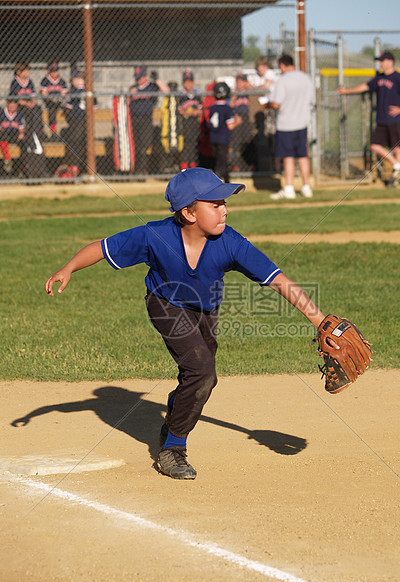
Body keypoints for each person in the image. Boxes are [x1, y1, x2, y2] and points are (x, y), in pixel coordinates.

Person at [44, 167, 330, 480]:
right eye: (216, 204)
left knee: (200, 376)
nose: (225, 209)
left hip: (207, 310)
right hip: (165, 304)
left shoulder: (231, 243)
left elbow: (278, 280)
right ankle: (172, 450)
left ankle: (178, 407)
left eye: (224, 203)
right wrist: (68, 268)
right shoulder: (155, 236)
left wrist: (318, 320)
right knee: (202, 371)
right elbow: (102, 247)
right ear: (189, 213)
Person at [337, 51, 400, 185]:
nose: (380, 63)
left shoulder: (398, 77)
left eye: (382, 61)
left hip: (396, 119)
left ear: (390, 62)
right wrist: (347, 91)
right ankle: (398, 165)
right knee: (374, 146)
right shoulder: (379, 78)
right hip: (382, 119)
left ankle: (394, 178)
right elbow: (365, 86)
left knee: (397, 148)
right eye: (379, 61)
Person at [267, 54, 314, 199]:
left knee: (288, 157)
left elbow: (276, 103)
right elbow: (311, 99)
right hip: (302, 123)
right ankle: (306, 187)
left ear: (282, 65)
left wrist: (267, 104)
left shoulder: (283, 80)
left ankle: (289, 189)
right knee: (303, 156)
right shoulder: (305, 78)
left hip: (286, 124)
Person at [9, 61, 48, 178]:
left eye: (28, 70)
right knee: (26, 113)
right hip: (21, 109)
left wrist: (32, 102)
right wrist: (25, 103)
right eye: (25, 71)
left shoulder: (29, 82)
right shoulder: (15, 83)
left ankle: (36, 130)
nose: (27, 73)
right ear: (19, 72)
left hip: (30, 109)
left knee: (37, 109)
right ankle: (29, 131)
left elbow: (33, 96)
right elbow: (14, 100)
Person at [129, 65, 169, 175]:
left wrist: (157, 80)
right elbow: (127, 101)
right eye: (137, 77)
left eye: (141, 77)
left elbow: (167, 91)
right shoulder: (133, 87)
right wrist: (131, 95)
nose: (138, 80)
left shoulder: (152, 87)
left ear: (146, 76)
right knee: (136, 145)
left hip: (146, 119)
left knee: (144, 146)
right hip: (134, 119)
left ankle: (142, 170)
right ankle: (136, 170)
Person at [63, 68, 98, 174]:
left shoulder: (76, 91)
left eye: (77, 79)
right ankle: (78, 167)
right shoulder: (89, 90)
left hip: (78, 120)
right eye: (74, 79)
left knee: (76, 142)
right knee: (79, 143)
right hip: (83, 121)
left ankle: (76, 166)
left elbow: (68, 109)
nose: (75, 81)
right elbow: (94, 109)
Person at [208, 81, 241, 182]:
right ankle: (214, 182)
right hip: (223, 138)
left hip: (213, 138)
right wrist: (238, 122)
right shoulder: (227, 109)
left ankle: (227, 181)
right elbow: (230, 126)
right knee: (221, 163)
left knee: (221, 160)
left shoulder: (212, 108)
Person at [230, 73, 255, 172]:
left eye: (242, 81)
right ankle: (237, 165)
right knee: (236, 144)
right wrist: (235, 94)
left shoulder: (249, 93)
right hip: (237, 120)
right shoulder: (235, 94)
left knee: (248, 143)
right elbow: (231, 105)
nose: (240, 84)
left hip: (247, 120)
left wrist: (248, 86)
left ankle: (249, 165)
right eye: (238, 82)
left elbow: (256, 94)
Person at [178, 70, 202, 170]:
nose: (188, 84)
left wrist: (193, 112)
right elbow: (179, 110)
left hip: (194, 124)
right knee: (185, 144)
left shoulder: (197, 94)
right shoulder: (181, 95)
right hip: (184, 124)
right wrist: (187, 112)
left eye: (190, 81)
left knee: (194, 143)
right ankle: (184, 165)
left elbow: (200, 110)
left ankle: (193, 164)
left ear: (193, 82)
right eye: (186, 82)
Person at [40, 61, 68, 139]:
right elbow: (44, 93)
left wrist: (59, 99)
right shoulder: (45, 80)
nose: (54, 73)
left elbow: (64, 93)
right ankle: (53, 132)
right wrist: (52, 99)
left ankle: (66, 132)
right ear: (48, 71)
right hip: (50, 103)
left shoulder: (62, 81)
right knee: (52, 110)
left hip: (60, 102)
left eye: (56, 70)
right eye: (52, 71)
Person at [0, 98, 25, 175]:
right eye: (11, 104)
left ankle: (22, 168)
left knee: (24, 143)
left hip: (15, 135)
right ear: (7, 104)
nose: (12, 106)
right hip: (4, 135)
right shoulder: (1, 113)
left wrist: (21, 133)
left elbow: (21, 128)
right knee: (3, 135)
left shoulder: (19, 114)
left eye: (14, 104)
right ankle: (7, 159)